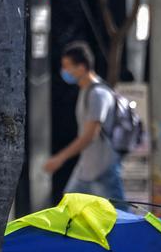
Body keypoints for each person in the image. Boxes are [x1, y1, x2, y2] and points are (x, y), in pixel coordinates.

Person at [42, 41, 123, 201]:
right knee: (70, 211)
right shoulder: (86, 91)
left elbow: (89, 136)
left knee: (119, 219)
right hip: (86, 170)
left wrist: (60, 158)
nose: (64, 71)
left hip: (102, 170)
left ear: (81, 67)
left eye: (67, 66)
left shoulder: (98, 94)